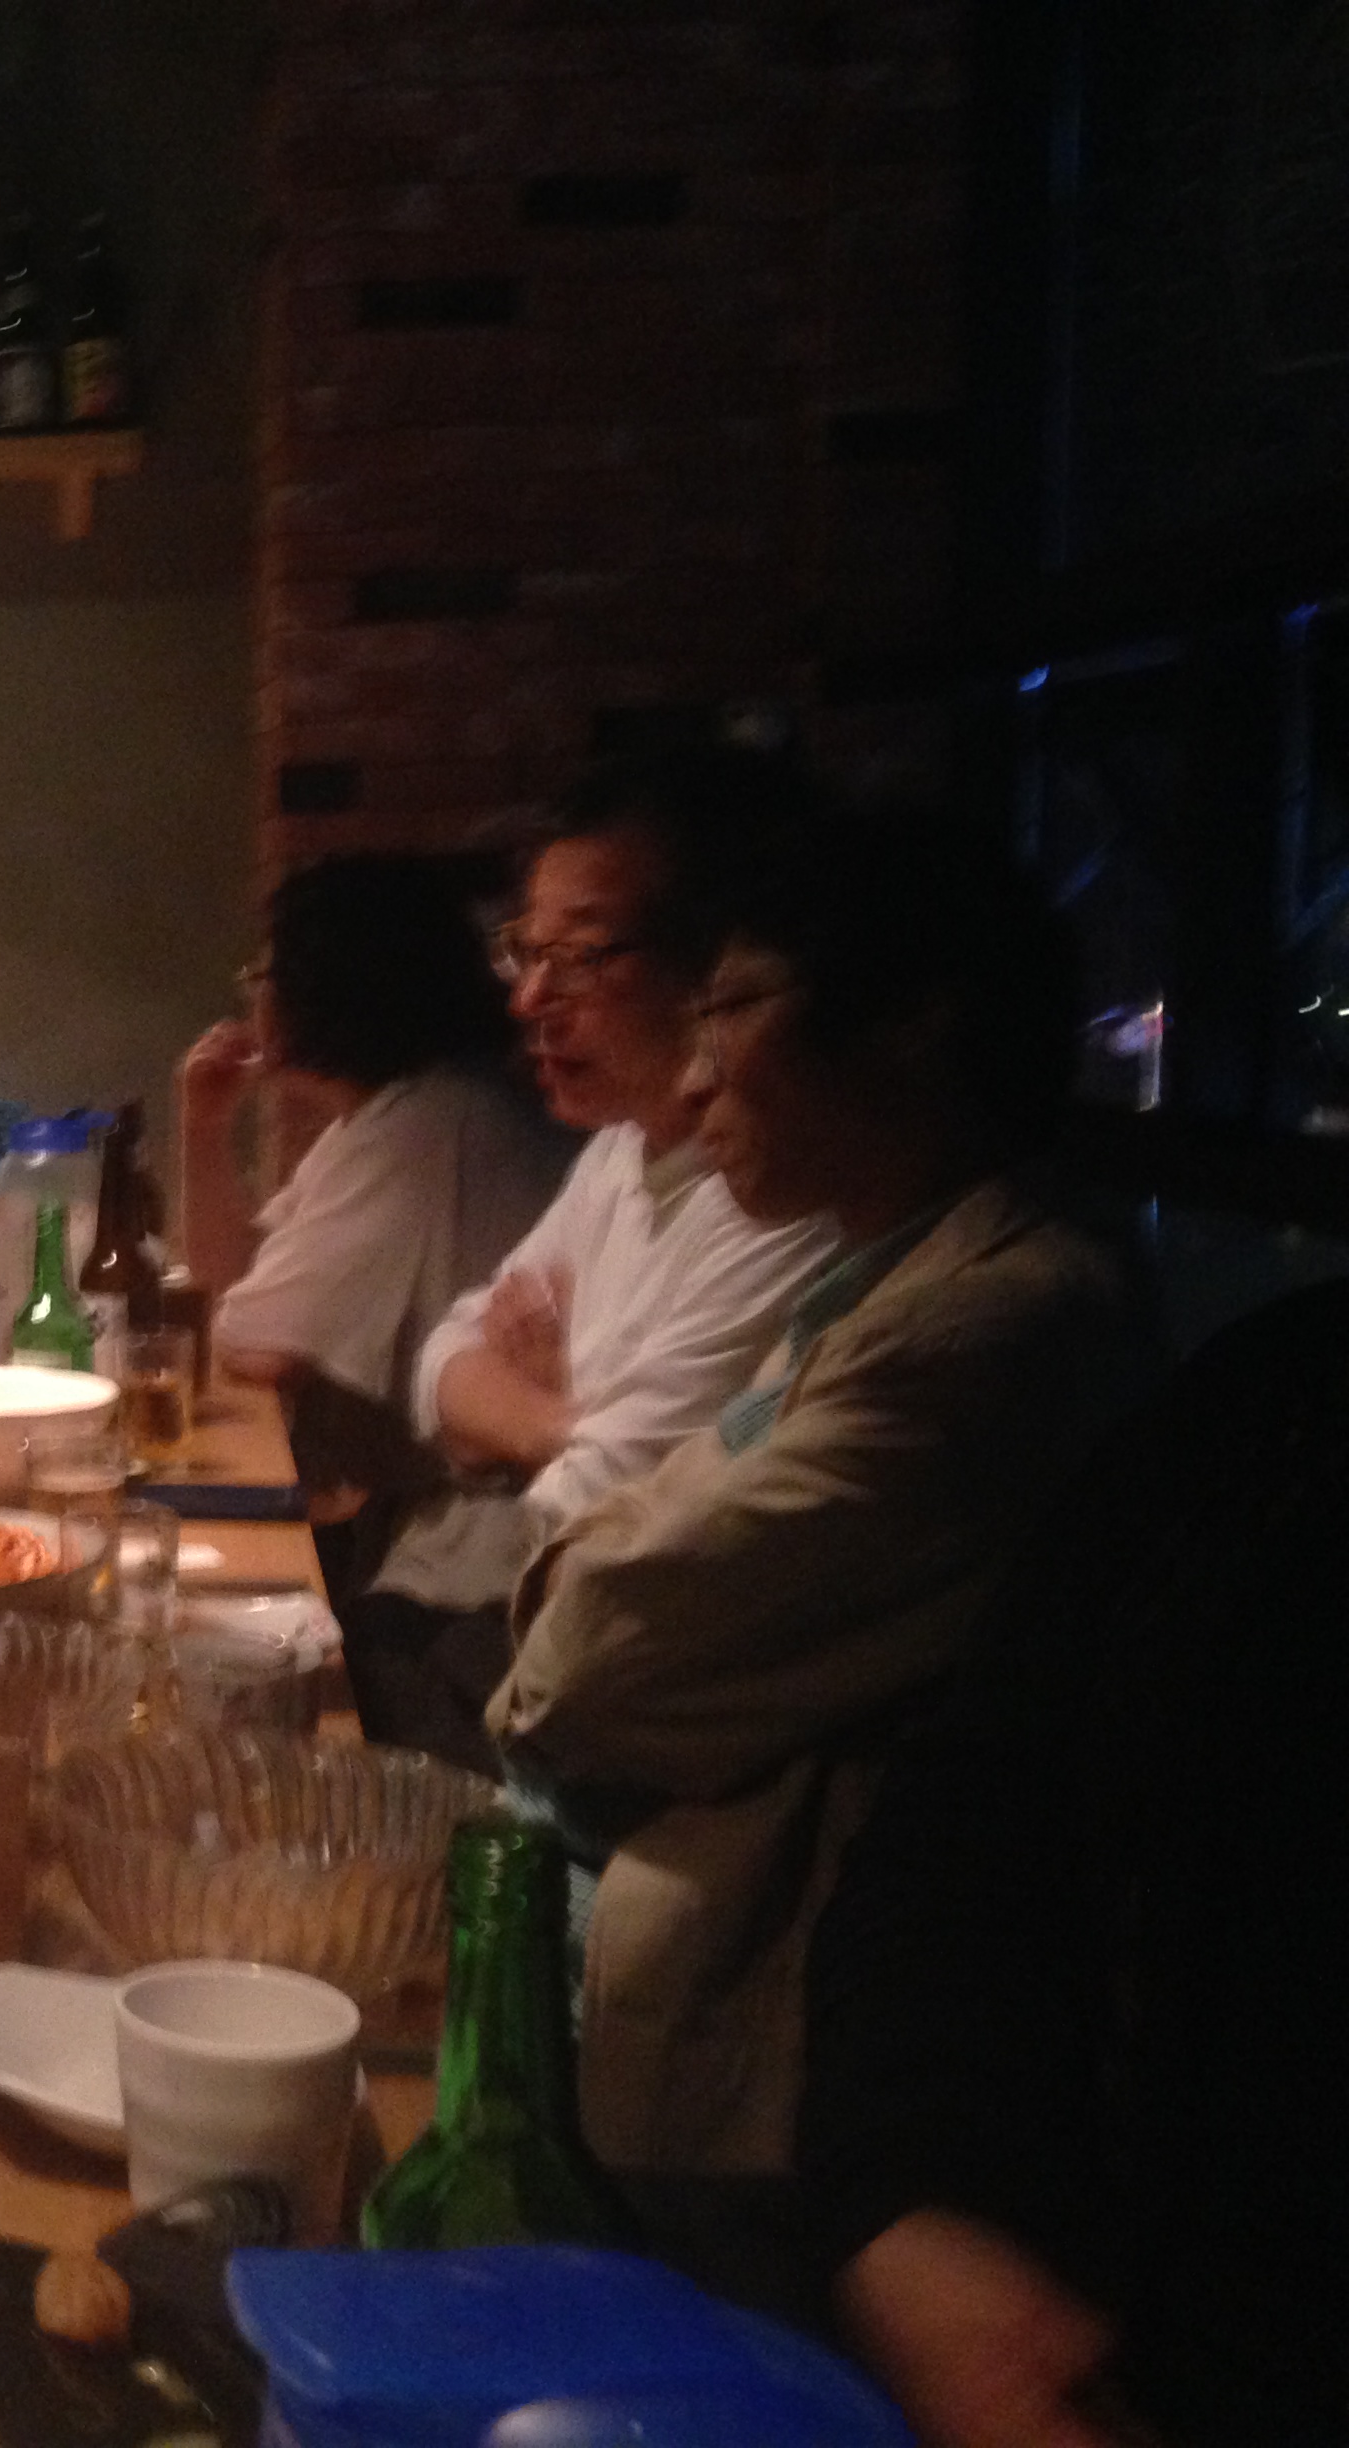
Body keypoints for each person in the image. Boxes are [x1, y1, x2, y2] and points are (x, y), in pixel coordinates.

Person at [486, 805, 1156, 2310]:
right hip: (709, 1976)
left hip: (788, 2064)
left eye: (731, 1008)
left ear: (912, 1021)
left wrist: (584, 1549)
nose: (697, 1075)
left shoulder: (991, 1325)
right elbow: (621, 1533)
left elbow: (593, 1653)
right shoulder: (886, 1275)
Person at [802, 1282, 1347, 2448]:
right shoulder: (1275, 1402)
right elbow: (975, 1823)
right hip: (1113, 2369)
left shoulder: (1027, 1314)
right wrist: (921, 2206)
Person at [343, 750, 840, 1769]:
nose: (530, 999)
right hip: (510, 1618)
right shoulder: (619, 1149)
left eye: (580, 957)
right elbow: (440, 1366)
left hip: (589, 1691)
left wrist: (525, 1432)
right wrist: (563, 1421)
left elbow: (603, 1511)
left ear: (714, 972)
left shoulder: (786, 1203)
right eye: (525, 954)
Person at [177, 855, 575, 1579]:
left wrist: (238, 1312)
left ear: (323, 988)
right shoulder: (396, 1113)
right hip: (444, 1528)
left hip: (488, 1562)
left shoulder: (426, 1128)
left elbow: (252, 1345)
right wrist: (204, 1128)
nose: (253, 995)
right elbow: (231, 1287)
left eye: (263, 975)